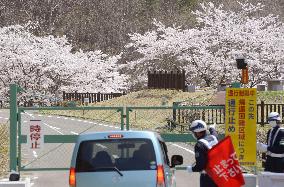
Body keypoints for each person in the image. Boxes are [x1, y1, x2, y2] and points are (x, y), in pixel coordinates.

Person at [186, 120, 218, 187]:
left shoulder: (199, 145)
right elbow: (214, 133)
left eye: (194, 132)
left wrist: (192, 169)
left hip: (208, 177)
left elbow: (200, 165)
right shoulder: (213, 138)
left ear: (197, 133)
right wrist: (211, 128)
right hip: (220, 173)